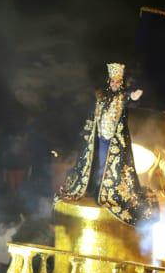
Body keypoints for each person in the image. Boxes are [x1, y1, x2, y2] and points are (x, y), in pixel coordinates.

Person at [58, 62, 154, 226]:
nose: (115, 85)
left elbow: (130, 98)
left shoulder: (122, 97)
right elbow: (92, 114)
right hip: (99, 137)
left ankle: (106, 192)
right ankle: (93, 188)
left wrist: (134, 95)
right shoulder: (102, 97)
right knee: (95, 164)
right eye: (113, 82)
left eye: (118, 82)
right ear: (109, 82)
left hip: (114, 141)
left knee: (109, 166)